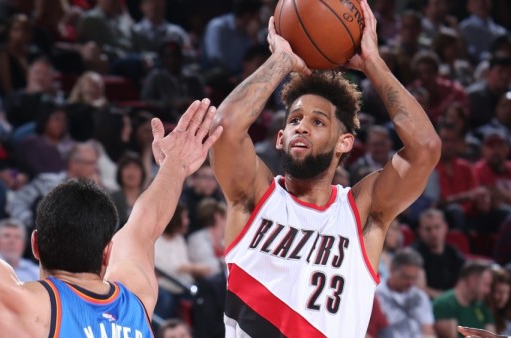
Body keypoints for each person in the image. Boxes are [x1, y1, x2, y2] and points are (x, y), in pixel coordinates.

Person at [209, 0, 441, 336]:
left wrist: (373, 63)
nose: (302, 127)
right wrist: (282, 61)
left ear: (345, 142)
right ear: (279, 137)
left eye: (318, 122)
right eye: (295, 120)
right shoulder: (254, 197)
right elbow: (225, 128)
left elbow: (426, 149)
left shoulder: (361, 214)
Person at [0, 99, 222, 336]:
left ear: (35, 245)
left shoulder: (26, 307)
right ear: (107, 252)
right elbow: (146, 222)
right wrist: (175, 166)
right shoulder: (136, 298)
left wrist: (175, 168)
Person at [375, 248, 436, 338]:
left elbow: (428, 330)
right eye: (406, 277)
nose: (410, 282)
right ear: (392, 270)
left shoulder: (420, 297)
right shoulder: (376, 294)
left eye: (414, 278)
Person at [433, 261, 495, 338]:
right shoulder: (444, 305)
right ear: (472, 280)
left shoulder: (482, 306)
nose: (488, 291)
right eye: (486, 284)